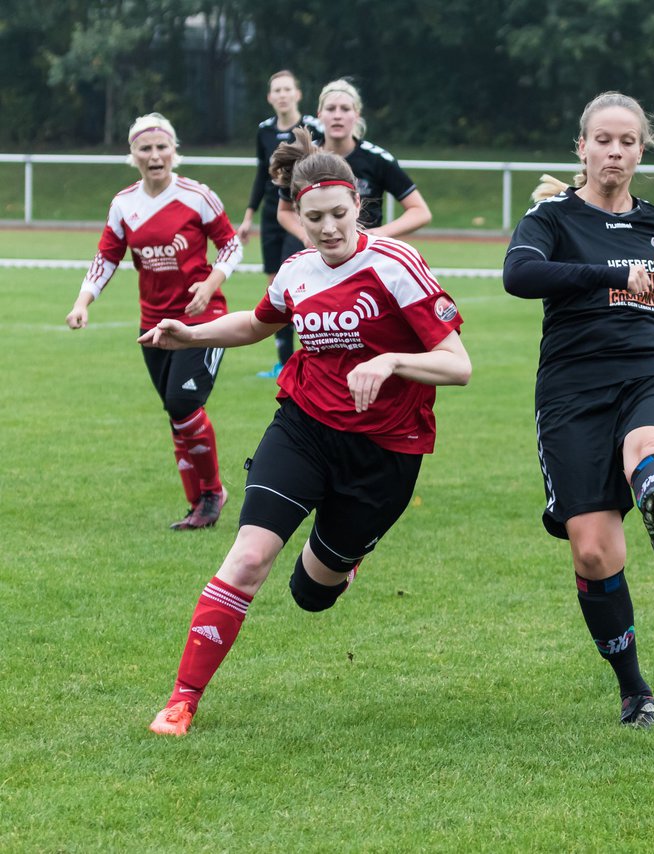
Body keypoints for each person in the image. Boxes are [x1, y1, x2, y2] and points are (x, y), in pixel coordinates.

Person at [142, 127, 471, 736]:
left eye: (339, 215)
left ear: (359, 205)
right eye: (313, 217)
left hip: (385, 453)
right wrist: (190, 333)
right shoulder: (296, 271)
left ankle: (345, 562)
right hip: (304, 430)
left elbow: (459, 365)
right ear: (296, 214)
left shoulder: (396, 265)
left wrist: (392, 361)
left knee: (311, 594)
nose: (328, 229)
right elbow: (258, 324)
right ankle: (183, 698)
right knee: (247, 559)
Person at [502, 92, 654, 727]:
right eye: (604, 140)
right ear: (583, 147)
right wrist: (606, 275)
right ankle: (634, 689)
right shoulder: (550, 218)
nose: (615, 152)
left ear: (640, 150)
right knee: (596, 553)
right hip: (572, 389)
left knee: (646, 447)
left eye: (628, 142)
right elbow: (519, 276)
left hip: (652, 369)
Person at [66, 112, 243, 530]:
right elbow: (106, 257)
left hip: (203, 320)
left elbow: (231, 246)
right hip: (155, 325)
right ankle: (197, 503)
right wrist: (82, 301)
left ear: (174, 151)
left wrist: (210, 283)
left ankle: (213, 493)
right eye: (145, 148)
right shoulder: (124, 204)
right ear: (133, 155)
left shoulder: (198, 196)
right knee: (175, 413)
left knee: (184, 405)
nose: (155, 155)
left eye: (162, 147)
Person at [236, 69, 323, 379]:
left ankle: (311, 357)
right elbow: (262, 174)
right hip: (272, 216)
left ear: (297, 94)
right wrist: (248, 216)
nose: (283, 95)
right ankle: (284, 362)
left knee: (296, 284)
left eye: (288, 89)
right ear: (270, 97)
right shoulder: (264, 131)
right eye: (277, 90)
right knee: (275, 287)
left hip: (298, 215)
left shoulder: (313, 128)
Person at [276, 78, 431, 244]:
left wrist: (381, 233)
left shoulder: (377, 159)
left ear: (356, 115)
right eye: (330, 109)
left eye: (345, 109)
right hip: (312, 251)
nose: (337, 116)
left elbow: (420, 211)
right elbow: (284, 211)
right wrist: (304, 236)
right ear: (320, 115)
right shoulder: (303, 156)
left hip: (362, 254)